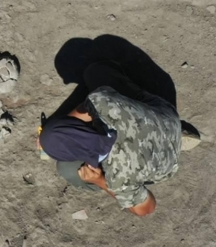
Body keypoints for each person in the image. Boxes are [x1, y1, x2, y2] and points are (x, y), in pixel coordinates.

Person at [39, 61, 183, 216]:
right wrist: (55, 131)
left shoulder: (118, 174)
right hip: (167, 117)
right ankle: (169, 131)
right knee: (95, 72)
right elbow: (86, 108)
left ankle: (164, 148)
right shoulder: (101, 102)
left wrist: (100, 180)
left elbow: (147, 208)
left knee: (65, 169)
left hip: (168, 162)